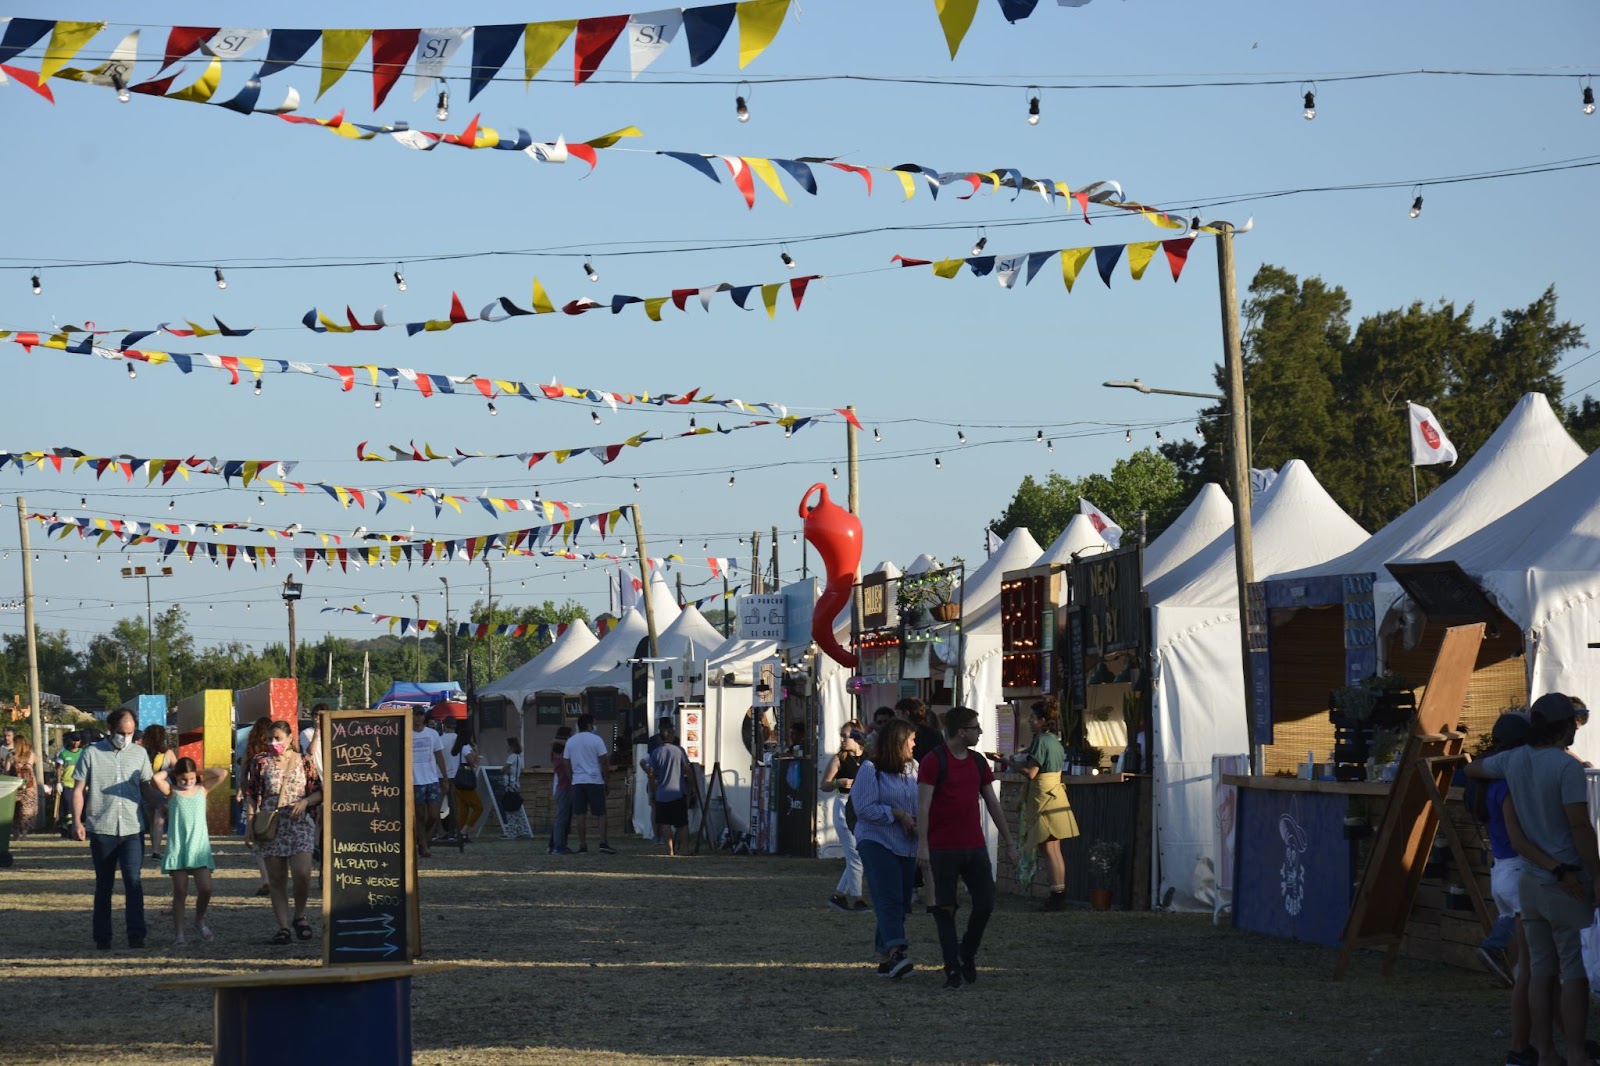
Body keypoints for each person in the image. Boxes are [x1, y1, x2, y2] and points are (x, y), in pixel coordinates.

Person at [1467, 692, 1600, 1066]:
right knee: (1572, 970)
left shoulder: (1513, 760)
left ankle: (1546, 1053)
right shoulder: (1565, 768)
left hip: (1529, 879)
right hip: (1564, 879)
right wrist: (1596, 873)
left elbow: (1475, 769)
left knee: (1539, 970)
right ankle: (1576, 1051)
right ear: (1566, 728)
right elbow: (1579, 827)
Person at [917, 706, 1020, 991]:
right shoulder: (933, 761)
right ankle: (952, 968)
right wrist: (923, 845)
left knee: (986, 902)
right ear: (961, 732)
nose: (980, 732)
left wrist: (1009, 841)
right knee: (944, 908)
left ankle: (967, 951)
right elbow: (923, 805)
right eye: (975, 727)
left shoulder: (977, 762)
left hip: (974, 845)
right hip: (942, 848)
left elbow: (992, 802)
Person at [70, 707, 154, 950]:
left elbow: (147, 787)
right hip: (102, 827)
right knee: (104, 884)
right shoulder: (91, 753)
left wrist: (162, 805)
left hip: (132, 828)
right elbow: (78, 791)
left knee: (134, 882)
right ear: (110, 729)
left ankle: (136, 935)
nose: (125, 737)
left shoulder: (140, 754)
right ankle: (102, 937)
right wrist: (77, 821)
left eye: (130, 733)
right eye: (121, 732)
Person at [242, 719, 323, 945]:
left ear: (290, 739)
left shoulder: (305, 762)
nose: (273, 743)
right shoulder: (261, 762)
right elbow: (252, 793)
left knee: (302, 873)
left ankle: (300, 914)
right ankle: (284, 926)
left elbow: (319, 792)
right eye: (269, 738)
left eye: (278, 738)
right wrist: (249, 823)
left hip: (299, 824)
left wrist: (306, 802)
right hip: (271, 824)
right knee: (277, 878)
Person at [852, 718, 921, 978]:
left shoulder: (914, 768)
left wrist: (916, 821)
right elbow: (865, 809)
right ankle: (896, 952)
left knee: (901, 901)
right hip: (877, 840)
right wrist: (896, 813)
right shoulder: (871, 769)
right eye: (911, 739)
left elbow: (920, 801)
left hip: (907, 843)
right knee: (888, 896)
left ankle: (884, 959)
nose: (915, 744)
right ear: (897, 742)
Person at [1007, 698, 1080, 911]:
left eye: (1032, 718)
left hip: (1043, 797)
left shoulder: (1041, 740)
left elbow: (1031, 773)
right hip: (1055, 793)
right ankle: (1059, 893)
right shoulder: (1054, 740)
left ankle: (1056, 896)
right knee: (1055, 849)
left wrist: (1007, 762)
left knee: (1049, 848)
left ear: (1042, 721)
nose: (1029, 721)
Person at [150, 755, 227, 946]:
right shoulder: (172, 792)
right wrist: (171, 770)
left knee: (206, 888)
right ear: (177, 777)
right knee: (180, 892)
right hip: (178, 847)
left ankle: (199, 920)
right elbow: (156, 779)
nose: (188, 782)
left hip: (199, 848)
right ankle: (180, 934)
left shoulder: (202, 789)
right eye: (183, 779)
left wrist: (197, 772)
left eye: (191, 778)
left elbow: (222, 773)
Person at [820, 721, 868, 912]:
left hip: (862, 807)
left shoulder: (868, 758)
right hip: (844, 805)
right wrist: (838, 782)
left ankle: (839, 896)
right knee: (855, 854)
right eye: (841, 735)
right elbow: (824, 784)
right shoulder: (839, 759)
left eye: (845, 736)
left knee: (858, 854)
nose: (842, 740)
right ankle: (857, 898)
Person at [643, 724, 697, 856]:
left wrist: (652, 790)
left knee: (665, 822)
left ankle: (670, 849)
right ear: (672, 736)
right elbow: (688, 770)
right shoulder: (679, 751)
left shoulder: (656, 752)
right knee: (682, 823)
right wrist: (692, 786)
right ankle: (685, 849)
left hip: (662, 793)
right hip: (678, 792)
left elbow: (650, 773)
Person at [566, 715, 613, 854]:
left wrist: (571, 778)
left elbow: (566, 762)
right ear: (588, 725)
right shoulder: (597, 740)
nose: (595, 726)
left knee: (580, 814)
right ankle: (603, 842)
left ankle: (582, 845)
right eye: (594, 723)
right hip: (594, 780)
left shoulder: (571, 741)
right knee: (601, 813)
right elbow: (603, 760)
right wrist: (607, 778)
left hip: (578, 781)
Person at [410, 706, 449, 859]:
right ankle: (424, 845)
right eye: (416, 715)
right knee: (419, 815)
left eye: (421, 715)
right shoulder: (407, 734)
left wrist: (444, 777)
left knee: (433, 815)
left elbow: (439, 756)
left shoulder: (432, 734)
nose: (418, 718)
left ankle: (422, 839)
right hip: (415, 780)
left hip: (431, 779)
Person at [447, 722, 484, 842]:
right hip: (466, 782)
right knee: (478, 807)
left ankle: (460, 834)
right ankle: (464, 830)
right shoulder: (466, 748)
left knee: (463, 809)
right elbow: (474, 763)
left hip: (456, 780)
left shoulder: (456, 749)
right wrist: (477, 752)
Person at [140, 724, 170, 860]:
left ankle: (154, 848)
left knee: (152, 821)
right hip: (161, 789)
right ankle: (156, 851)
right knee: (159, 819)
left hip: (146, 789)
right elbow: (177, 768)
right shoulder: (167, 753)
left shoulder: (141, 752)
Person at [499, 737, 534, 840]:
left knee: (510, 810)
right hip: (516, 785)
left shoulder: (511, 757)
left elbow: (503, 769)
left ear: (511, 746)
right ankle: (523, 830)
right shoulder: (519, 757)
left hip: (510, 786)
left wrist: (504, 771)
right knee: (517, 809)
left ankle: (512, 832)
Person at [549, 727, 574, 854]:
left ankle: (557, 844)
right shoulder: (561, 755)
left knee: (564, 819)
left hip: (563, 788)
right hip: (564, 788)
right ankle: (558, 846)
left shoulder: (557, 753)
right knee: (561, 819)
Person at [54, 731, 85, 837]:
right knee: (68, 806)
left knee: (79, 807)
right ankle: (68, 828)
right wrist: (58, 782)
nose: (75, 743)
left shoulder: (83, 752)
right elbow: (58, 768)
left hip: (80, 785)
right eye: (74, 740)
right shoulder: (64, 753)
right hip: (67, 784)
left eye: (78, 740)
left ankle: (78, 827)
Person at [898, 698, 944, 762]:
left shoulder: (905, 734)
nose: (897, 718)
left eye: (898, 713)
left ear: (906, 713)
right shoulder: (935, 733)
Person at [10, 735, 37, 841]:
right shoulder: (30, 755)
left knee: (21, 811)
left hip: (22, 787)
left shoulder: (13, 756)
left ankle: (20, 833)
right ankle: (20, 833)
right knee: (22, 811)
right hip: (24, 787)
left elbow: (7, 771)